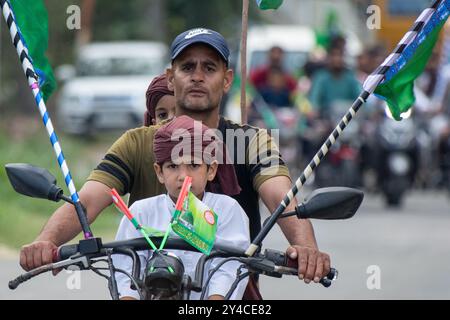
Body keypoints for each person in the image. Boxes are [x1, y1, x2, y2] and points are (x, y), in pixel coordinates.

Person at [20, 28, 331, 292]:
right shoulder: (138, 142)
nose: (197, 76)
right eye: (187, 67)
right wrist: (46, 241)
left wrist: (307, 248)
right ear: (170, 78)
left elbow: (282, 198)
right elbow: (87, 201)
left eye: (209, 68)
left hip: (227, 296)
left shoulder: (249, 141)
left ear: (227, 80)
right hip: (147, 290)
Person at [114, 115, 250, 300]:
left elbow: (229, 269)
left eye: (194, 165)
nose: (183, 176)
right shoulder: (140, 212)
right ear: (159, 172)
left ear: (211, 170)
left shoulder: (226, 210)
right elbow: (125, 270)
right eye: (172, 166)